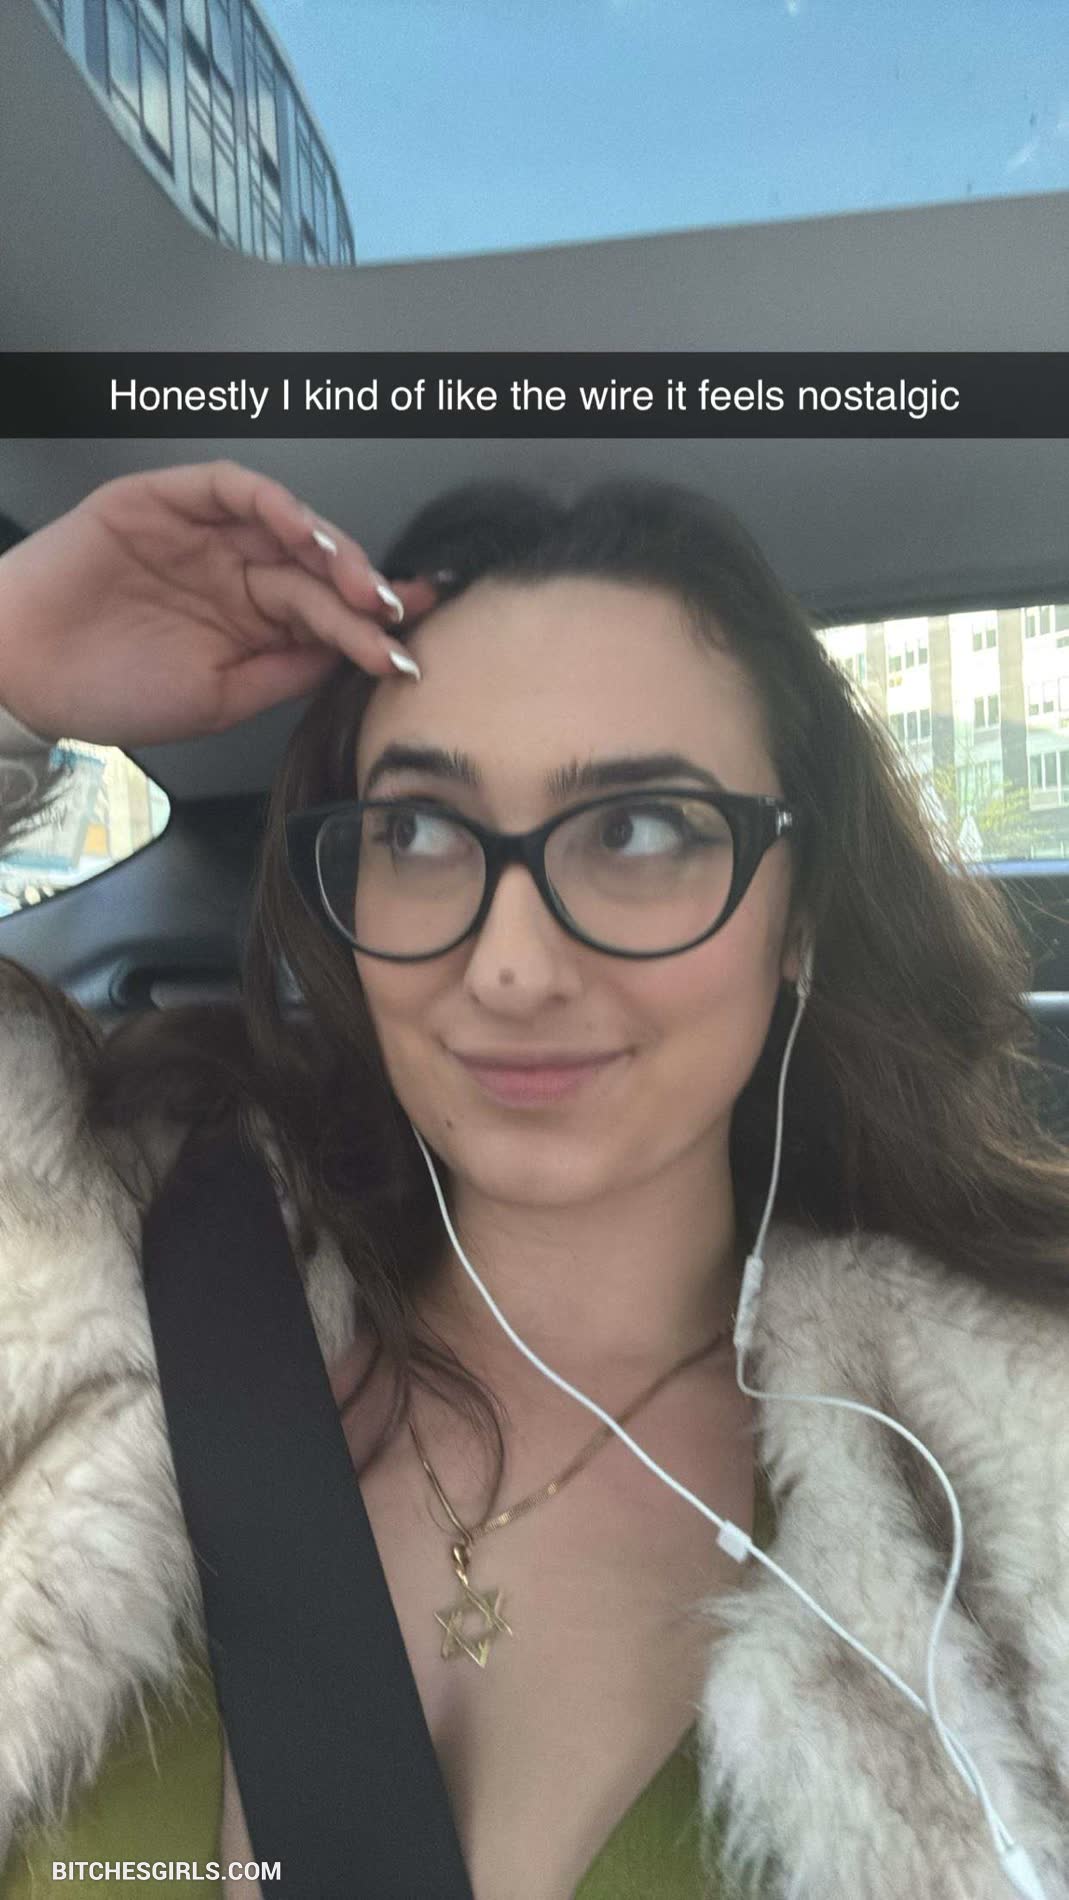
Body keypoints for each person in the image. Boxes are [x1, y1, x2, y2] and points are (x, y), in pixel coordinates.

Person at [0, 460, 1066, 1900]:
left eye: (638, 830)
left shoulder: (1015, 1479)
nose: (508, 967)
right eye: (420, 832)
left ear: (801, 909)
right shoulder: (93, 1265)